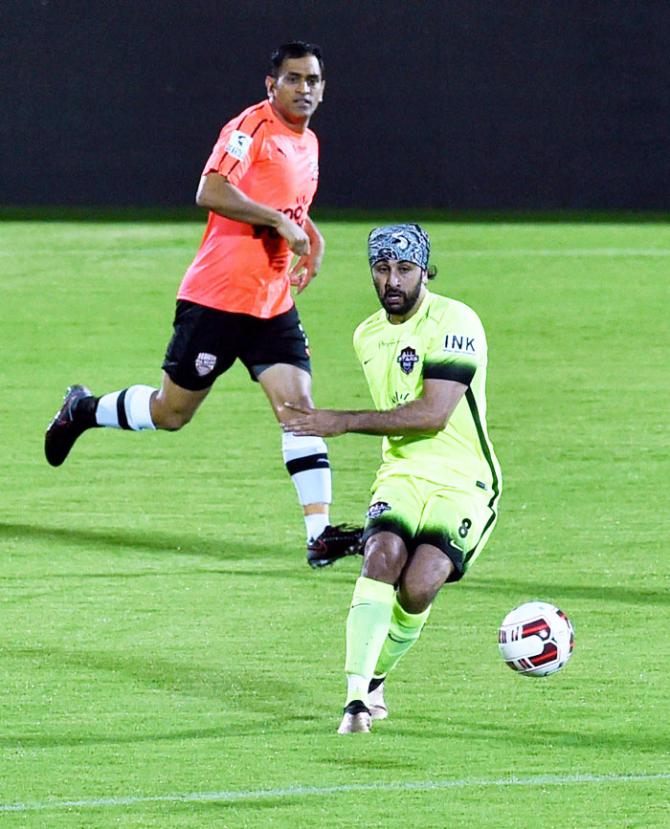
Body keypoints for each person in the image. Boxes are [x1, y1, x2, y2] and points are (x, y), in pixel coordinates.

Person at [44, 41, 360, 568]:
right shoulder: (250, 128)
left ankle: (320, 534)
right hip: (216, 300)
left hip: (272, 303)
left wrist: (309, 231)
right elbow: (210, 190)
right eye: (294, 79)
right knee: (171, 414)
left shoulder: (310, 143)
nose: (305, 89)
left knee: (299, 412)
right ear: (271, 84)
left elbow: (289, 205)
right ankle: (83, 409)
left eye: (314, 80)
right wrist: (280, 223)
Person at [283, 223, 502, 733]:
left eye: (404, 269)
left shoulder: (456, 321)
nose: (393, 280)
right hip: (402, 470)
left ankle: (378, 675)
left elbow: (432, 414)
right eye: (382, 269)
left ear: (425, 270)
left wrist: (340, 421)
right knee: (382, 557)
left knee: (419, 588)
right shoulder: (367, 335)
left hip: (465, 478)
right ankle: (356, 698)